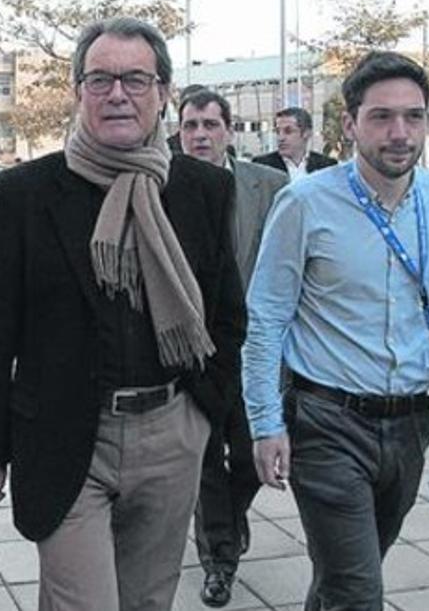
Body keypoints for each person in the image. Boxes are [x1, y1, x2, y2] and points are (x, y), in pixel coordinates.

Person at [0, 17, 245, 611]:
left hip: (171, 429)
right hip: (67, 433)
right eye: (100, 79)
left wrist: (205, 410)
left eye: (136, 79)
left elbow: (226, 313)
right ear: (78, 93)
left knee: (147, 602)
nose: (117, 93)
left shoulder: (204, 190)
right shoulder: (26, 193)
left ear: (164, 92)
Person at [242, 51, 429, 611]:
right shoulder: (304, 204)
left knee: (343, 579)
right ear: (350, 124)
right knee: (360, 592)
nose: (400, 133)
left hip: (411, 425)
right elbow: (265, 320)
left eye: (414, 116)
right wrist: (265, 423)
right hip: (326, 426)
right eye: (382, 117)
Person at [177, 88, 287, 607]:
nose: (200, 135)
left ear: (228, 130)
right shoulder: (163, 185)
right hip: (188, 350)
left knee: (248, 456)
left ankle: (228, 518)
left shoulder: (269, 187)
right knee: (203, 460)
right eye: (191, 125)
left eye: (210, 125)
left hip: (252, 350)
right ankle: (219, 560)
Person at [252, 107, 338, 181]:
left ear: (306, 133)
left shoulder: (327, 166)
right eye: (278, 132)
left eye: (288, 131)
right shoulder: (262, 165)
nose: (280, 138)